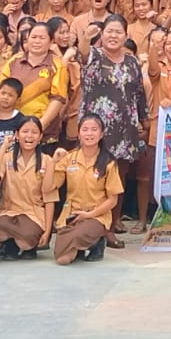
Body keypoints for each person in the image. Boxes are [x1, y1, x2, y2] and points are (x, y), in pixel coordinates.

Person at [77, 13, 152, 230]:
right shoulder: (94, 55)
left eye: (118, 31)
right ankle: (95, 222)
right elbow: (82, 52)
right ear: (102, 34)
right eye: (109, 31)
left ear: (126, 35)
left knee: (118, 175)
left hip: (125, 128)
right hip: (97, 128)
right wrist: (85, 37)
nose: (113, 35)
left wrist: (144, 122)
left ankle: (114, 221)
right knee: (96, 173)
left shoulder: (132, 61)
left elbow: (139, 93)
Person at [44, 113, 124, 264]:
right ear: (78, 133)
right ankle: (80, 247)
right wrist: (52, 162)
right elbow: (49, 187)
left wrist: (89, 215)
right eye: (85, 129)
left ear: (101, 134)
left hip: (96, 215)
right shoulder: (69, 158)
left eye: (94, 129)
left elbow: (113, 200)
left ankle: (96, 242)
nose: (89, 133)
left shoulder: (108, 162)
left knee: (79, 237)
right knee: (62, 259)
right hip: (71, 214)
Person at [0, 114, 52, 260]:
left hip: (33, 214)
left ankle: (25, 246)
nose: (29, 136)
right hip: (8, 211)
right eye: (25, 131)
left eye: (34, 132)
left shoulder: (47, 161)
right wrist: (4, 147)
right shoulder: (8, 157)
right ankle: (10, 244)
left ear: (40, 136)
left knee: (26, 239)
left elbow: (49, 198)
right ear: (17, 134)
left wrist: (47, 231)